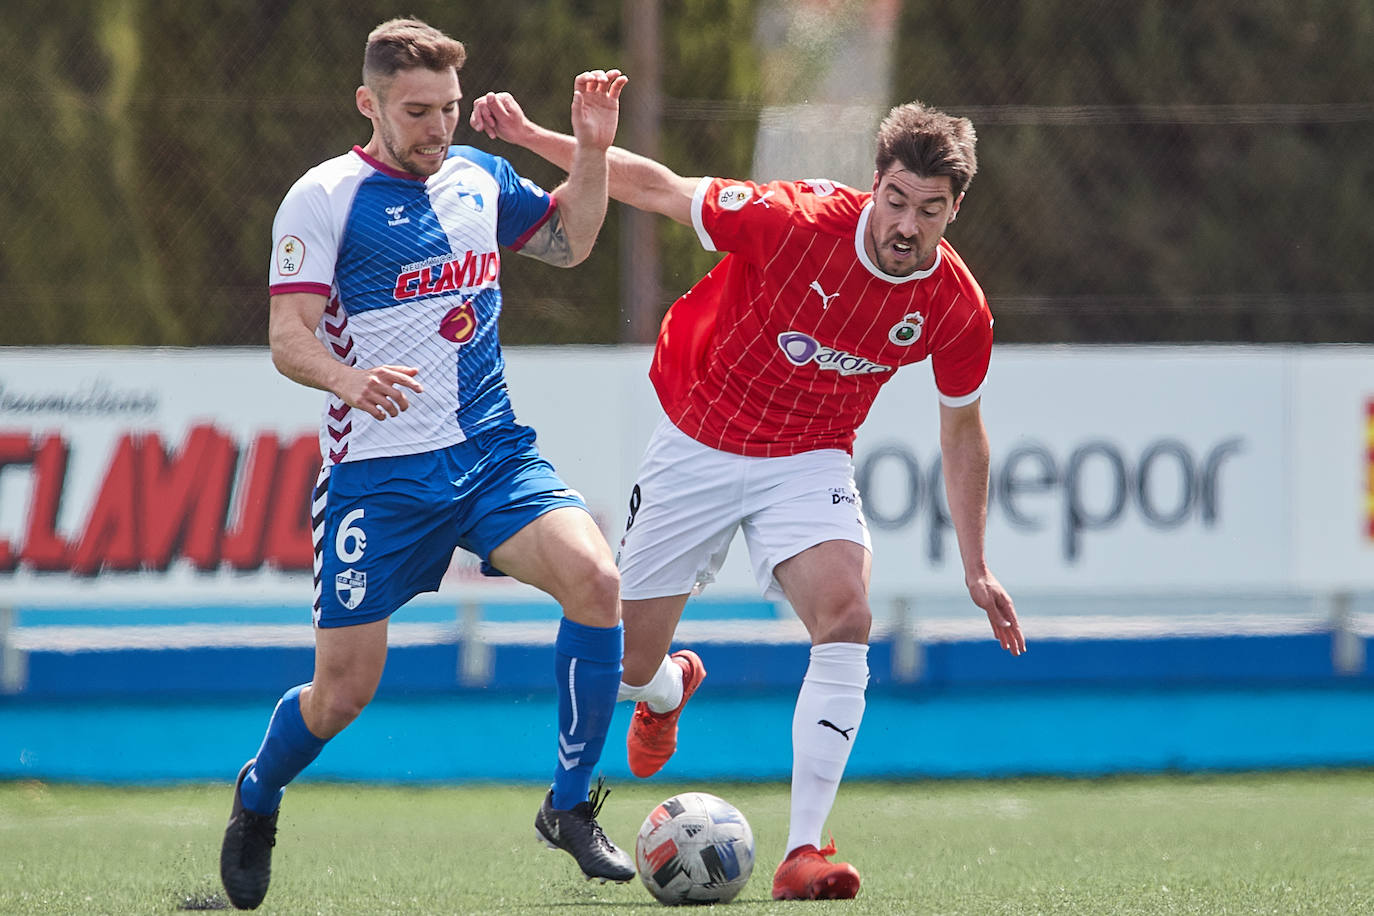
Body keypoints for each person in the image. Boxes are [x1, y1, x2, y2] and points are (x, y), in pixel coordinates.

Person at [470, 93, 1028, 900]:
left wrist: (977, 566)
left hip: (808, 459)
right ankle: (666, 687)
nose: (908, 226)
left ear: (955, 209)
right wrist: (537, 139)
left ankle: (806, 851)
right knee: (625, 663)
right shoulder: (794, 220)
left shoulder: (953, 305)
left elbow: (964, 432)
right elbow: (658, 188)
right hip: (697, 442)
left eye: (930, 212)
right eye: (897, 201)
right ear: (875, 184)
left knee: (848, 614)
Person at [218, 19, 634, 910]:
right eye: (416, 111)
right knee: (341, 694)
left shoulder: (480, 177)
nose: (438, 127)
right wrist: (350, 379)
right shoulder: (323, 197)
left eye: (448, 108)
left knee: (598, 581)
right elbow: (288, 339)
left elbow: (571, 242)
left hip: (490, 455)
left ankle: (567, 808)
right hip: (380, 479)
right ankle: (258, 794)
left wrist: (592, 154)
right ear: (369, 104)